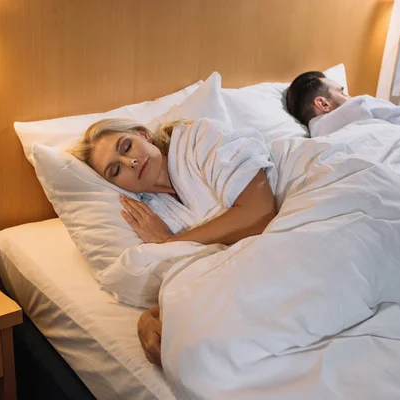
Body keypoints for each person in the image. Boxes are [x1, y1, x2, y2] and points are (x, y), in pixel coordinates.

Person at [69, 117, 278, 366]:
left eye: (126, 147)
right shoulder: (152, 213)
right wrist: (152, 315)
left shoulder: (197, 139)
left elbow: (259, 214)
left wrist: (169, 241)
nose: (130, 162)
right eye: (115, 170)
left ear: (144, 135)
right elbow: (206, 269)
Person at [286, 71, 400, 138]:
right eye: (342, 92)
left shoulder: (315, 141)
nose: (349, 97)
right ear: (323, 104)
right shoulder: (360, 106)